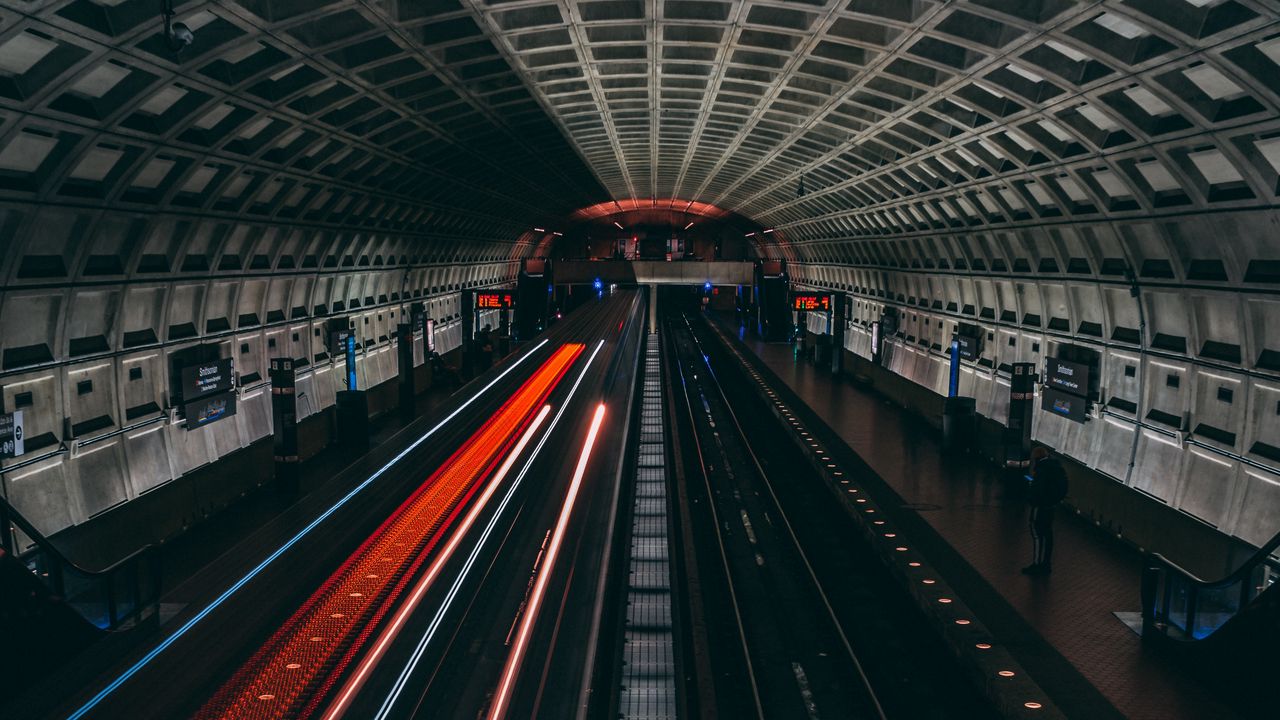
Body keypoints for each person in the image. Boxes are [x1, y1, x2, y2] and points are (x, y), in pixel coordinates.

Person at [1023, 446, 1068, 576]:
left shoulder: (1042, 470)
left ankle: (1037, 564)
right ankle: (1046, 564)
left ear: (1036, 459)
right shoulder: (1055, 467)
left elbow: (1038, 489)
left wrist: (1031, 498)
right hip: (1051, 507)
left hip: (1040, 507)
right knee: (1048, 535)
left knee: (1037, 533)